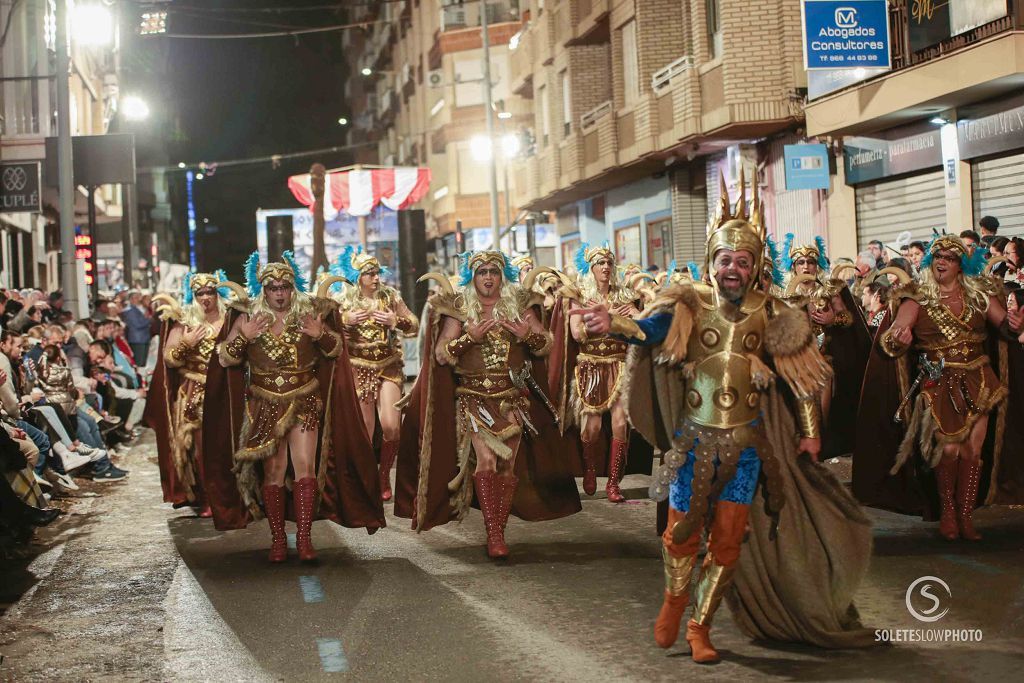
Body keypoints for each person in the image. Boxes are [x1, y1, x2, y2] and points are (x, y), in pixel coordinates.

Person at [574, 174, 873, 663]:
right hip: (692, 444)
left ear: (755, 268)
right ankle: (674, 600)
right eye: (724, 259)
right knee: (680, 533)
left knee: (730, 540)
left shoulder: (773, 311)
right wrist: (616, 324)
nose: (732, 268)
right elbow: (650, 330)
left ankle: (700, 627)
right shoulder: (689, 303)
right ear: (711, 262)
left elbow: (798, 378)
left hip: (748, 449)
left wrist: (810, 434)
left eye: (742, 261)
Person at [395, 251, 580, 559]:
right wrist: (468, 338)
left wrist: (527, 336)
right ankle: (494, 533)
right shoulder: (460, 308)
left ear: (501, 275)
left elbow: (544, 344)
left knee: (507, 466)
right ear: (473, 276)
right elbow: (442, 354)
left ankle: (499, 527)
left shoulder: (519, 305)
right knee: (487, 463)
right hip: (474, 400)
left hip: (512, 399)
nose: (488, 277)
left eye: (493, 271)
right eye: (482, 271)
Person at [216, 251, 383, 562]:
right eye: (273, 288)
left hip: (304, 398)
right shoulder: (247, 316)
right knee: (274, 471)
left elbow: (336, 352)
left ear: (292, 287)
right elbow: (227, 358)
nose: (279, 293)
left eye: (284, 287)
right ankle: (278, 540)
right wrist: (244, 337)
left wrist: (320, 335)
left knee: (306, 467)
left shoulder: (310, 312)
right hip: (264, 404)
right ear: (264, 290)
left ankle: (305, 539)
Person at [882, 235, 1021, 540]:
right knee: (949, 449)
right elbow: (893, 335)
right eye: (938, 256)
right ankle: (947, 511)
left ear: (961, 265)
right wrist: (898, 337)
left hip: (980, 378)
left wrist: (1015, 323)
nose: (942, 261)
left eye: (950, 257)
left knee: (973, 449)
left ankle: (965, 516)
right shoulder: (917, 296)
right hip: (938, 381)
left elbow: (1005, 329)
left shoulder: (979, 295)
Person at [550, 243, 645, 501]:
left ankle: (614, 483)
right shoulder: (579, 296)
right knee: (591, 428)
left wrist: (636, 313)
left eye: (609, 263)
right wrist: (606, 318)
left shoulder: (625, 296)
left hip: (620, 365)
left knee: (620, 423)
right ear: (590, 268)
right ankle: (590, 469)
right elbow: (577, 333)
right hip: (590, 366)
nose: (605, 267)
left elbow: (642, 328)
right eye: (600, 263)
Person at [332, 246, 418, 502]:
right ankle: (367, 479)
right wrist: (344, 320)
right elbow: (327, 333)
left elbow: (413, 325)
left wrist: (396, 322)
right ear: (357, 276)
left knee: (392, 427)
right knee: (365, 430)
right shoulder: (343, 301)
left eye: (377, 272)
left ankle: (383, 476)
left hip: (388, 366)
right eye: (369, 273)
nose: (375, 278)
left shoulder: (390, 297)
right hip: (358, 369)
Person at [148, 272, 235, 516]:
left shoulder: (231, 317)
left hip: (226, 388)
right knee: (201, 446)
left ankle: (232, 496)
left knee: (228, 445)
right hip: (195, 391)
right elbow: (170, 359)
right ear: (193, 296)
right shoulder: (185, 321)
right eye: (200, 293)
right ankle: (207, 497)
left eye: (210, 292)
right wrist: (186, 343)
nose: (206, 297)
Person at [777, 234, 871, 459]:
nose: (806, 266)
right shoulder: (785, 293)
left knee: (821, 417)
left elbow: (847, 318)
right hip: (795, 364)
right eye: (801, 262)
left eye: (811, 262)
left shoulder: (828, 290)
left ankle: (820, 452)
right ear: (794, 266)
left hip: (823, 363)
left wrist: (832, 320)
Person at [121, 290, 153, 365]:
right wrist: (148, 320)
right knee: (139, 362)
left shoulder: (138, 308)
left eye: (139, 297)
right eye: (136, 297)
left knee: (142, 362)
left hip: (143, 339)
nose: (139, 299)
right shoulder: (130, 311)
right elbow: (138, 324)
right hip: (137, 340)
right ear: (131, 299)